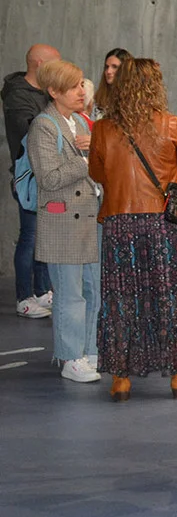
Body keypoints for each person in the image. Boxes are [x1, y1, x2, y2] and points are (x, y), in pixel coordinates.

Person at [89, 58, 177, 401]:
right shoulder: (170, 124)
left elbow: (97, 174)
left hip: (120, 223)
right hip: (163, 224)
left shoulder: (103, 128)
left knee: (121, 299)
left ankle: (121, 379)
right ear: (154, 87)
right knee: (173, 296)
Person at [27, 61, 100, 383]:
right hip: (62, 223)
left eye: (81, 84)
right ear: (54, 92)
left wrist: (96, 153)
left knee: (94, 290)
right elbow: (49, 177)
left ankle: (91, 350)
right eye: (72, 87)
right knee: (70, 295)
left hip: (90, 219)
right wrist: (86, 159)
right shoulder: (44, 126)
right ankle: (71, 357)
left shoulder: (80, 122)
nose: (81, 92)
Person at [4, 44, 60, 318]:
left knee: (45, 235)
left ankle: (42, 291)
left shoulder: (45, 94)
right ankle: (24, 297)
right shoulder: (17, 96)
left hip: (48, 175)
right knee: (29, 236)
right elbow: (33, 132)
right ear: (40, 64)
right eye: (55, 63)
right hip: (29, 177)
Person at [92, 48, 131, 119]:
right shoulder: (98, 100)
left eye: (114, 67)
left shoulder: (134, 100)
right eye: (107, 67)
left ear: (126, 70)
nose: (108, 71)